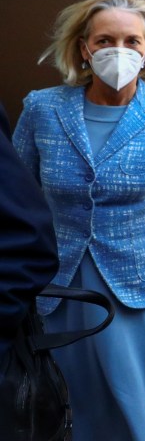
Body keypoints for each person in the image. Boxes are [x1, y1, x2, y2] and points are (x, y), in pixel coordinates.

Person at [12, 0, 145, 440]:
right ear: (84, 48)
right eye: (105, 40)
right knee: (75, 413)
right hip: (61, 293)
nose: (118, 51)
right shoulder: (42, 108)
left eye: (131, 42)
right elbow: (16, 200)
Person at [0, 102, 58, 361]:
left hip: (137, 280)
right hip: (61, 277)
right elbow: (24, 170)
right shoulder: (41, 106)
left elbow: (23, 221)